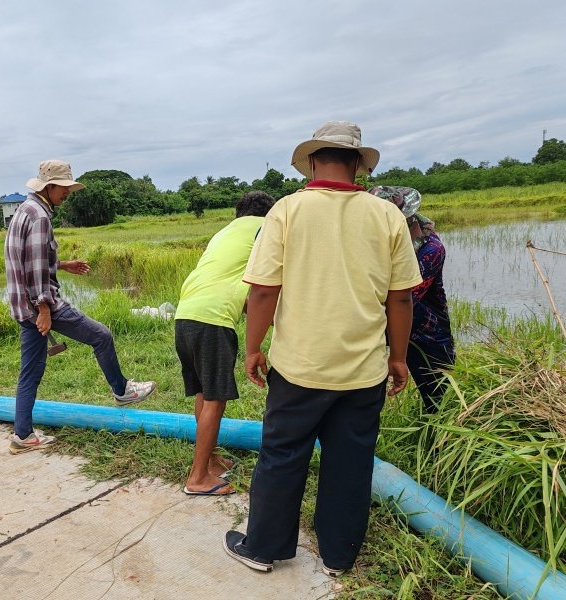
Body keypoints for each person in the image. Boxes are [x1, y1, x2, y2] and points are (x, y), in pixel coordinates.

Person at [223, 121, 422, 577]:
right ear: (358, 164)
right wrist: (397, 357)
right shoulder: (387, 215)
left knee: (282, 455)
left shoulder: (288, 210)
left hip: (299, 368)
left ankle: (263, 548)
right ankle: (338, 556)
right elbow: (402, 297)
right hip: (364, 371)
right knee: (350, 463)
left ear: (312, 162)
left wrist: (253, 348)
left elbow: (262, 291)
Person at [4, 159, 156, 454]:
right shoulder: (39, 217)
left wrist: (62, 264)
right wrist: (45, 309)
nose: (68, 193)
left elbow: (29, 259)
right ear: (49, 187)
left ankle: (23, 435)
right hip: (39, 305)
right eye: (64, 188)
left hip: (24, 305)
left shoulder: (25, 210)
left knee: (30, 372)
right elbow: (35, 270)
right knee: (102, 336)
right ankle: (122, 390)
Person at [175, 191, 275, 496]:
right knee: (215, 399)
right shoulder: (265, 228)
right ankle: (198, 478)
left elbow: (239, 294)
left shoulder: (225, 233)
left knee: (205, 393)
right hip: (213, 320)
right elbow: (263, 290)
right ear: (268, 214)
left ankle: (211, 458)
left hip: (185, 315)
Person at [368, 186, 456, 413]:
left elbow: (404, 296)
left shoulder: (431, 249)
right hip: (382, 327)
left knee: (440, 399)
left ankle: (438, 443)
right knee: (366, 390)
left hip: (427, 333)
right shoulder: (376, 244)